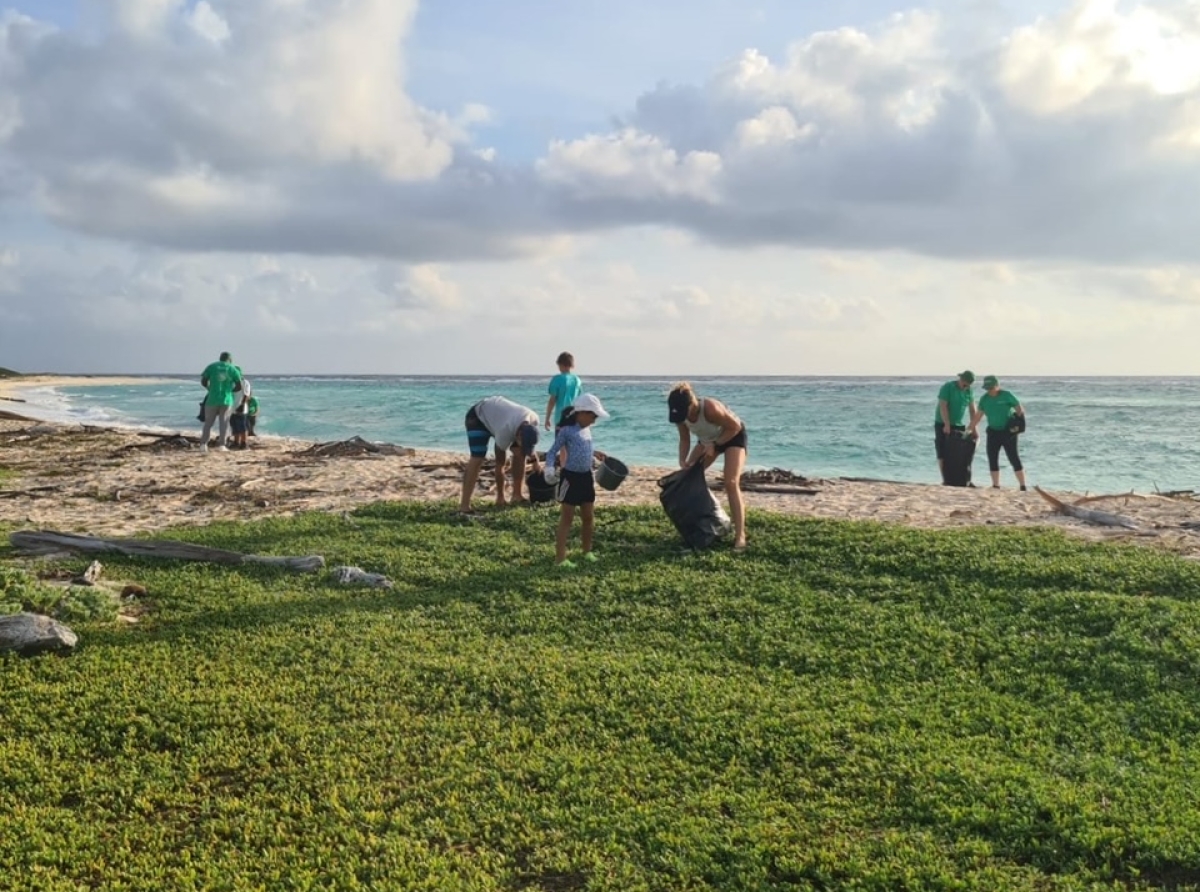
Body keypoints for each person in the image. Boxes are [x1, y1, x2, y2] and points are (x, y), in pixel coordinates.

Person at [667, 382, 748, 550]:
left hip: (733, 436)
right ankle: (704, 525)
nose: (683, 417)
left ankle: (740, 535)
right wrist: (683, 460)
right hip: (706, 441)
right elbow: (685, 439)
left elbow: (735, 427)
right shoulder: (680, 414)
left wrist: (716, 445)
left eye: (684, 412)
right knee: (687, 478)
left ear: (692, 403)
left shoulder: (710, 409)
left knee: (731, 483)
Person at [543, 394, 610, 567]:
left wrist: (595, 453)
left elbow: (585, 446)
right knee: (567, 519)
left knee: (588, 516)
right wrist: (549, 468)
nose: (594, 421)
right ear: (581, 413)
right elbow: (552, 452)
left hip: (586, 477)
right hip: (570, 478)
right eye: (593, 416)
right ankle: (560, 558)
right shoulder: (567, 431)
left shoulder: (587, 429)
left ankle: (587, 551)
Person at [459, 396, 542, 513]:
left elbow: (528, 446)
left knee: (520, 454)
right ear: (518, 436)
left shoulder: (534, 420)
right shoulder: (505, 431)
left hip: (499, 418)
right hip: (478, 417)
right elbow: (499, 464)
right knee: (478, 458)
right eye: (523, 444)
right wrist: (500, 497)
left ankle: (517, 496)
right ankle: (465, 506)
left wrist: (535, 462)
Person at [969, 375, 1027, 490]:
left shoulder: (1007, 395)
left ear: (997, 386)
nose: (989, 391)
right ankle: (996, 485)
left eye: (991, 388)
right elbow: (978, 416)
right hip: (993, 432)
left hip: (1008, 432)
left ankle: (1023, 485)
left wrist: (1019, 422)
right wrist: (970, 427)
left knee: (1013, 457)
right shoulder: (984, 399)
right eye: (987, 388)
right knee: (992, 457)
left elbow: (1019, 409)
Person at [934, 370, 976, 483]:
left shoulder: (969, 391)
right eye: (965, 384)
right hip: (942, 423)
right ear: (961, 379)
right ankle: (945, 479)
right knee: (942, 452)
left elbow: (972, 410)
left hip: (958, 424)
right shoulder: (948, 387)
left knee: (962, 453)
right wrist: (946, 424)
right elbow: (943, 406)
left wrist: (974, 427)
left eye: (968, 385)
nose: (966, 387)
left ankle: (962, 478)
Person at [198, 351, 243, 453]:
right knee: (224, 423)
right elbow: (239, 385)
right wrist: (230, 391)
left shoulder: (211, 367)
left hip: (212, 398)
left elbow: (203, 381)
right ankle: (222, 445)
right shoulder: (233, 369)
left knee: (208, 423)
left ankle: (203, 444)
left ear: (220, 358)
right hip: (226, 399)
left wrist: (209, 388)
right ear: (230, 359)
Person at [545, 351, 583, 430]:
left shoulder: (557, 379)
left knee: (560, 441)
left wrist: (547, 418)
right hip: (574, 419)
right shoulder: (577, 380)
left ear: (560, 364)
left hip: (560, 418)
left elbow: (552, 401)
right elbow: (580, 400)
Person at [229, 379, 251, 449]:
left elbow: (247, 394)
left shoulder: (245, 382)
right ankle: (236, 442)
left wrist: (242, 405)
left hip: (241, 408)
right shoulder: (232, 382)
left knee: (242, 426)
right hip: (232, 408)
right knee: (234, 426)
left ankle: (244, 443)